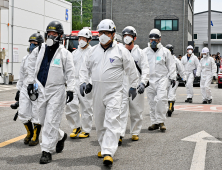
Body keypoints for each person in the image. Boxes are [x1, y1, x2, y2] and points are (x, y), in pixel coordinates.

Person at [79, 19, 139, 166]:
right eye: (100, 33)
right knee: (99, 123)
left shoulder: (121, 51)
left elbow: (132, 70)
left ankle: (108, 152)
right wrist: (84, 82)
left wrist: (134, 86)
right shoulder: (93, 52)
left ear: (113, 34)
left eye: (106, 33)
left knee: (112, 121)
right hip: (97, 92)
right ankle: (103, 146)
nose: (103, 35)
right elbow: (84, 69)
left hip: (114, 92)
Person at [27, 21, 75, 164]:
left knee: (51, 120)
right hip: (41, 89)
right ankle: (60, 136)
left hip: (57, 90)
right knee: (40, 120)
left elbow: (71, 73)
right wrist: (30, 82)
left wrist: (71, 89)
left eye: (54, 34)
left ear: (60, 36)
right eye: (49, 33)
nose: (51, 36)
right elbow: (30, 65)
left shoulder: (65, 54)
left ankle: (46, 151)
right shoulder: (39, 49)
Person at [119, 26, 149, 145]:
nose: (127, 38)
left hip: (136, 84)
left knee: (136, 109)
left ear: (134, 38)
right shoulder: (119, 51)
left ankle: (135, 132)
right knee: (121, 110)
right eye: (125, 36)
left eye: (129, 36)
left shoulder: (140, 53)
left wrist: (143, 82)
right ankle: (120, 134)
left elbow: (146, 69)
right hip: (122, 84)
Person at [143, 29, 176, 132]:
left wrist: (173, 77)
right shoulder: (145, 52)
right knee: (152, 102)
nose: (153, 41)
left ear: (159, 39)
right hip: (149, 80)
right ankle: (154, 123)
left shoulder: (165, 52)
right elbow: (142, 66)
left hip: (162, 79)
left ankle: (161, 121)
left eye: (155, 39)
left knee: (161, 99)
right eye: (151, 39)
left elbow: (171, 65)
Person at [16, 33, 44, 146]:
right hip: (25, 87)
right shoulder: (25, 58)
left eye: (35, 44)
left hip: (37, 88)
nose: (32, 46)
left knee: (36, 113)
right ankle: (29, 132)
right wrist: (18, 89)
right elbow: (22, 74)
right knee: (22, 112)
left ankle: (35, 137)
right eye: (31, 44)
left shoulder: (42, 58)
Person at [65, 29, 93, 139]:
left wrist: (90, 83)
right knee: (70, 104)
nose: (81, 40)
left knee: (86, 107)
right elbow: (69, 69)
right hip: (74, 82)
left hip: (85, 82)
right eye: (80, 38)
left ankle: (86, 129)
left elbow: (94, 69)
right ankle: (76, 127)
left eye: (84, 38)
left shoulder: (92, 52)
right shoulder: (74, 53)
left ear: (89, 40)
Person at [165, 44, 186, 117]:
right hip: (164, 80)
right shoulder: (163, 59)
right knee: (165, 95)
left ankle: (170, 108)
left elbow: (181, 70)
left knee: (171, 94)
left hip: (174, 80)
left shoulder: (176, 60)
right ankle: (170, 106)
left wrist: (184, 78)